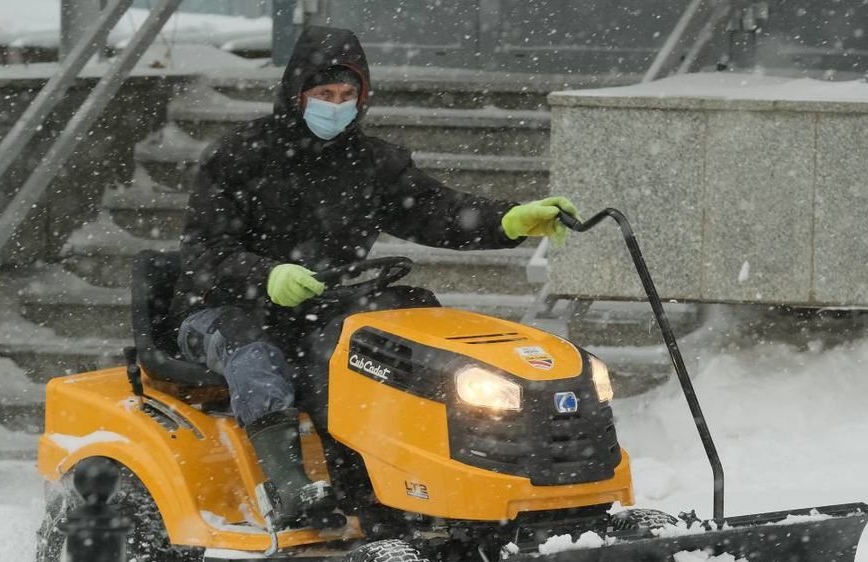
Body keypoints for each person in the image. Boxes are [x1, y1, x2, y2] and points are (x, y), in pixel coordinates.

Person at [171, 25, 578, 527]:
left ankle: (404, 470)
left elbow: (438, 211)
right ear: (296, 94)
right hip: (226, 309)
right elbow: (200, 252)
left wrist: (508, 221)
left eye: (347, 95)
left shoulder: (372, 164)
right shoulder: (240, 157)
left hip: (319, 307)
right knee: (255, 355)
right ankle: (291, 486)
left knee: (405, 324)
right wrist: (266, 273)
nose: (335, 106)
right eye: (323, 94)